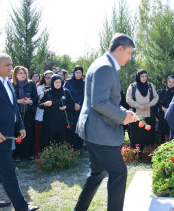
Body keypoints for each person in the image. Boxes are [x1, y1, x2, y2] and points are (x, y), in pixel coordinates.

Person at [74, 33, 138, 211]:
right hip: (100, 131)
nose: (130, 58)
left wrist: (123, 111)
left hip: (94, 129)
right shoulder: (105, 67)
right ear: (119, 49)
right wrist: (122, 117)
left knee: (97, 173)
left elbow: (103, 100)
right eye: (129, 53)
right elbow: (99, 102)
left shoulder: (102, 63)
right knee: (119, 173)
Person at [0, 53, 38, 210]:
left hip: (7, 135)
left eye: (11, 64)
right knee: (8, 171)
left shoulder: (8, 82)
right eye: (7, 65)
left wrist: (20, 125)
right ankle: (22, 206)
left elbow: (13, 107)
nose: (11, 68)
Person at [38, 75, 75, 148]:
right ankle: (50, 157)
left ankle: (62, 157)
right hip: (50, 122)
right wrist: (45, 104)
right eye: (56, 82)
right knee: (50, 142)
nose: (58, 84)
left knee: (62, 141)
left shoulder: (65, 91)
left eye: (59, 82)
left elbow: (72, 104)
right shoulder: (47, 92)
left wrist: (66, 107)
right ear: (52, 83)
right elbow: (39, 104)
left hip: (62, 122)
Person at [126, 69, 159, 149]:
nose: (144, 78)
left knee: (148, 136)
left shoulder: (150, 86)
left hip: (149, 116)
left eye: (145, 76)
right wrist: (138, 105)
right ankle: (137, 154)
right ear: (138, 77)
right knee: (137, 136)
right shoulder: (132, 86)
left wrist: (150, 104)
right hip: (137, 117)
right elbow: (128, 99)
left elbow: (156, 97)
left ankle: (148, 154)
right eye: (142, 76)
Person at [12, 66, 38, 162]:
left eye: (24, 73)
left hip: (29, 112)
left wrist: (30, 101)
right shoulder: (12, 84)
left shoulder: (31, 84)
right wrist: (18, 101)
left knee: (29, 132)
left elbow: (36, 99)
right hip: (17, 113)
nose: (23, 75)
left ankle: (29, 153)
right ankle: (17, 154)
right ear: (15, 75)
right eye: (20, 73)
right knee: (17, 132)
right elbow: (10, 98)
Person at [64, 66, 85, 151]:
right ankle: (70, 147)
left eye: (80, 72)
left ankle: (78, 148)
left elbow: (87, 96)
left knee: (80, 128)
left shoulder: (84, 83)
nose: (78, 74)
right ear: (74, 73)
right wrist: (73, 105)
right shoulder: (68, 82)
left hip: (81, 109)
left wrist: (80, 105)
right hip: (71, 110)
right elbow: (65, 94)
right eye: (76, 72)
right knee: (71, 128)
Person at [34, 70, 53, 155]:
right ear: (44, 78)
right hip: (41, 113)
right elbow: (37, 101)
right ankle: (38, 152)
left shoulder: (56, 86)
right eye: (47, 78)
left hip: (52, 114)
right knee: (39, 134)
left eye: (51, 78)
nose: (49, 80)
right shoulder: (39, 87)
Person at [157, 75, 174, 143]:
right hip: (163, 115)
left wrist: (169, 110)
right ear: (167, 82)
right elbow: (158, 103)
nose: (170, 84)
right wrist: (164, 109)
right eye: (169, 82)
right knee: (163, 132)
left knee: (171, 132)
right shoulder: (163, 92)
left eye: (172, 82)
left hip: (173, 115)